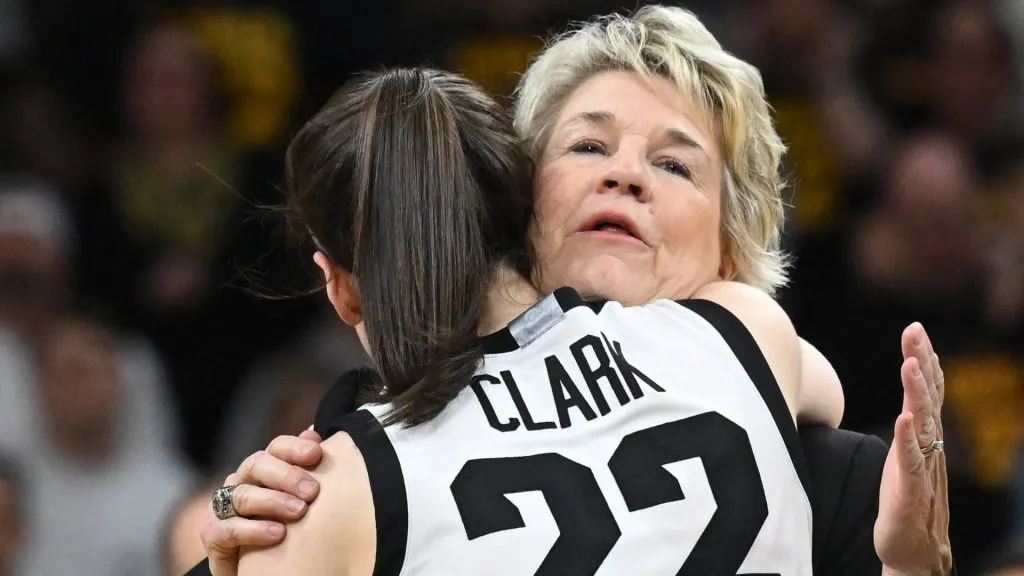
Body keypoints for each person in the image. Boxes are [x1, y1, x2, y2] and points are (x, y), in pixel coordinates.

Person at [194, 6, 952, 576]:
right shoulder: (750, 342)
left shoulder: (846, 479)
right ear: (517, 198)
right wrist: (230, 524)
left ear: (732, 246)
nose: (624, 174)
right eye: (588, 146)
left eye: (676, 165)